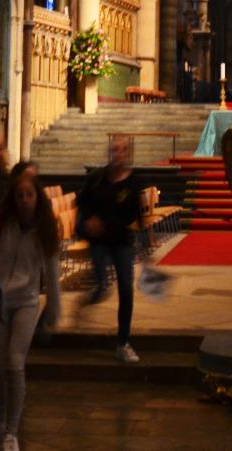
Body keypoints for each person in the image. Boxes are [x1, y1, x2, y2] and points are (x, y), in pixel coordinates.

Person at [0, 172, 61, 451]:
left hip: (26, 301)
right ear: (14, 198)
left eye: (29, 195)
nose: (24, 200)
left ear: (37, 198)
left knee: (14, 361)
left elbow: (52, 271)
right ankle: (3, 403)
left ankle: (12, 431)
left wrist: (53, 311)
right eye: (20, 195)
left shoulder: (45, 228)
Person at [78, 137, 143, 362]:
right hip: (99, 241)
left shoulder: (133, 182)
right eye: (115, 149)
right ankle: (87, 300)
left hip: (122, 242)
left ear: (128, 154)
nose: (118, 154)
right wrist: (87, 221)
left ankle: (123, 342)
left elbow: (137, 215)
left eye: (123, 150)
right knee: (102, 285)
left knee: (126, 289)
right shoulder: (97, 178)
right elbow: (82, 202)